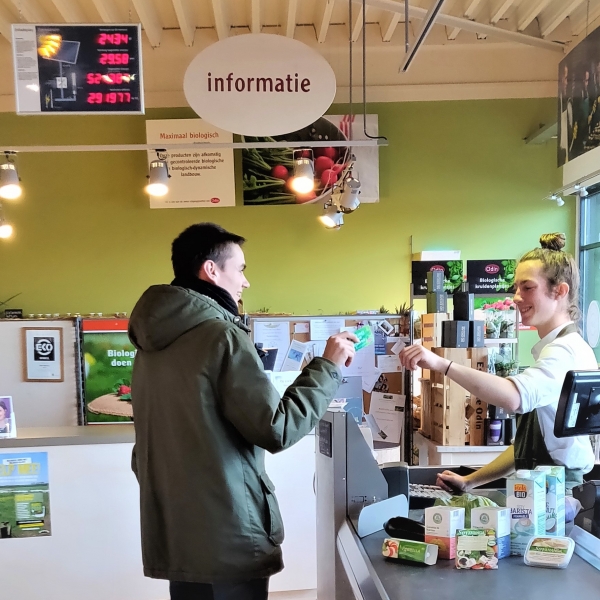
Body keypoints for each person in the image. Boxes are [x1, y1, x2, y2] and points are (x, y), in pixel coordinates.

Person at [128, 222, 357, 600]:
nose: (245, 283)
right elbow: (276, 429)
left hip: (178, 532)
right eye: (241, 269)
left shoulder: (151, 345)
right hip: (228, 536)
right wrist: (327, 366)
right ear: (211, 270)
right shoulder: (221, 335)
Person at [400, 233, 597, 493]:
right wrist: (470, 480)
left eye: (527, 287)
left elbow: (513, 397)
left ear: (560, 291)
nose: (516, 297)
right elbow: (524, 449)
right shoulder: (565, 347)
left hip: (557, 495)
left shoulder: (563, 352)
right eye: (516, 287)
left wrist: (442, 365)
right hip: (543, 489)